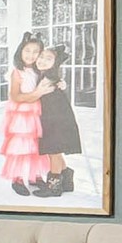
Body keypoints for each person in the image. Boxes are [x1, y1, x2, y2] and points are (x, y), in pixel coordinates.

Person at [0, 32, 48, 196]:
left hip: (37, 114)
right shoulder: (17, 72)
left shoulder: (40, 71)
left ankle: (35, 176)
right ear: (20, 51)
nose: (31, 55)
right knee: (21, 146)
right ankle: (17, 178)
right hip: (22, 115)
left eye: (36, 52)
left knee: (37, 145)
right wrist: (35, 95)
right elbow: (15, 96)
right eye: (27, 51)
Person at [33, 44, 84, 197]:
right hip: (56, 118)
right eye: (41, 57)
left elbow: (36, 94)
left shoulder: (49, 76)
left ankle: (53, 187)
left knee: (53, 152)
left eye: (48, 59)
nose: (42, 60)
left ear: (55, 63)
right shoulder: (47, 74)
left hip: (55, 120)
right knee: (55, 150)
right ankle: (66, 178)